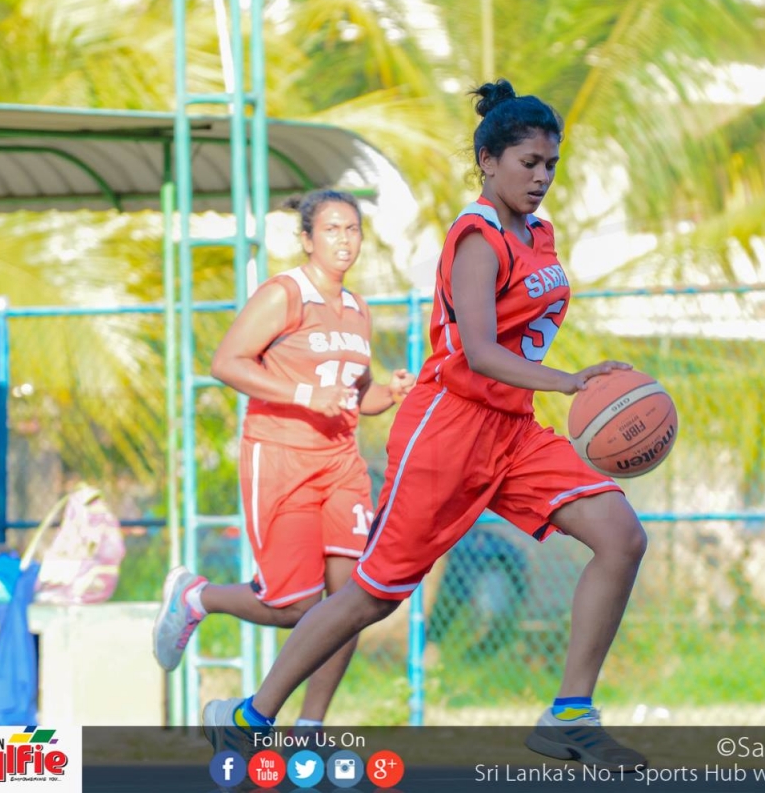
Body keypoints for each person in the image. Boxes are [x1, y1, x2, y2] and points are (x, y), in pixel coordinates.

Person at [203, 79, 649, 770]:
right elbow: (480, 350)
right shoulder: (477, 237)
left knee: (621, 537)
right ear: (488, 162)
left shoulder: (540, 233)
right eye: (529, 162)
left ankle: (570, 715)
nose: (541, 177)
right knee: (370, 598)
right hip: (448, 431)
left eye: (551, 164)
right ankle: (248, 716)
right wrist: (570, 381)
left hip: (513, 429)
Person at [151, 189, 415, 729]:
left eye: (352, 229)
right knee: (295, 605)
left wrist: (389, 393)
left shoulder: (358, 309)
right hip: (280, 458)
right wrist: (303, 395)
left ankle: (309, 726)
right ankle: (198, 596)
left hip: (340, 463)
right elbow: (227, 362)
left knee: (354, 597)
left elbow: (355, 394)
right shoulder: (284, 294)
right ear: (307, 239)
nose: (344, 240)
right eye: (331, 229)